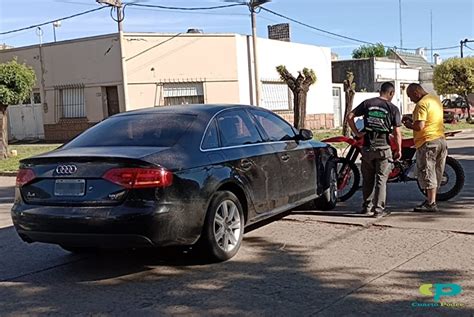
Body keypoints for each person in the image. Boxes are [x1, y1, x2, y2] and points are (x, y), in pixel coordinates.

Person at [347, 82, 402, 217]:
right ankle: (378, 210)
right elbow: (397, 132)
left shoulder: (367, 103)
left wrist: (357, 133)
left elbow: (349, 116)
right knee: (381, 179)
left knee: (367, 179)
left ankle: (366, 207)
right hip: (383, 148)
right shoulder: (393, 108)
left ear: (380, 91)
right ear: (391, 93)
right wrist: (399, 149)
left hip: (367, 148)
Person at [403, 83, 447, 212]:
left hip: (427, 141)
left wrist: (409, 125)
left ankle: (431, 203)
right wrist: (412, 118)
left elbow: (419, 126)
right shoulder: (434, 99)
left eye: (410, 96)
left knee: (427, 171)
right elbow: (429, 118)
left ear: (416, 92)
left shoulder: (421, 104)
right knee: (437, 170)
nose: (410, 99)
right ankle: (432, 199)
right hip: (440, 139)